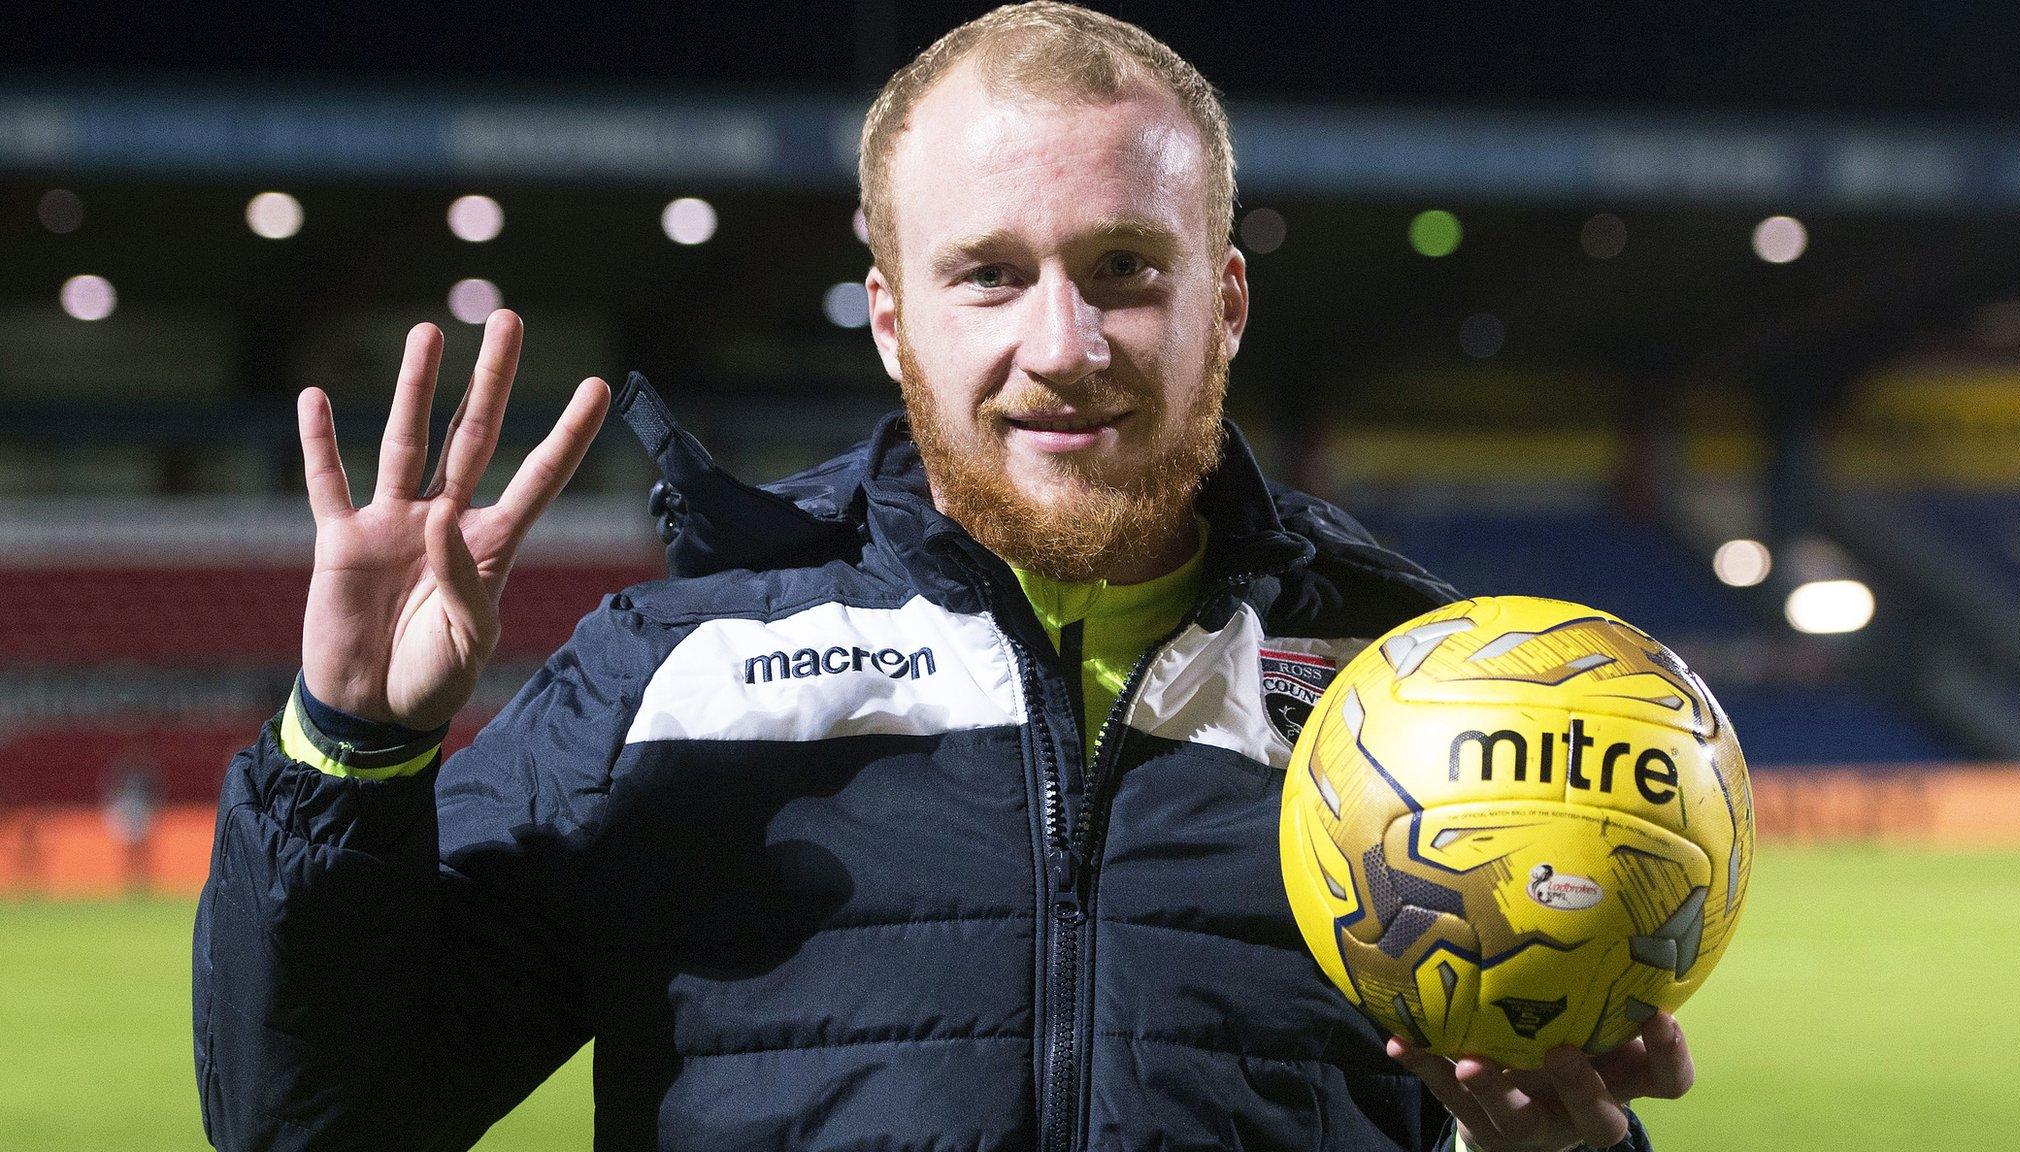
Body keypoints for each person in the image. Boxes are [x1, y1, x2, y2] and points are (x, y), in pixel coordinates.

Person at [192, 5, 1694, 1150]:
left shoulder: (1420, 688)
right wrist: (350, 749)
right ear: (894, 317)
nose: (1063, 347)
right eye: (990, 274)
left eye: (1125, 269)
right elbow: (315, 1120)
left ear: (1223, 301)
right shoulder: (672, 671)